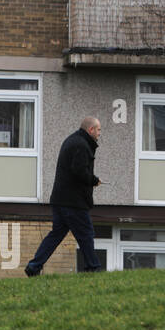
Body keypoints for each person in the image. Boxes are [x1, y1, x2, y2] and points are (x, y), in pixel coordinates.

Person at [25, 117, 104, 275]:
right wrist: (93, 180)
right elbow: (79, 171)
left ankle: (34, 267)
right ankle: (93, 268)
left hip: (60, 199)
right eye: (98, 130)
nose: (100, 133)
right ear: (91, 130)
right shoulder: (81, 145)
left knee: (56, 235)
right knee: (86, 234)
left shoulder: (72, 141)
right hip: (73, 201)